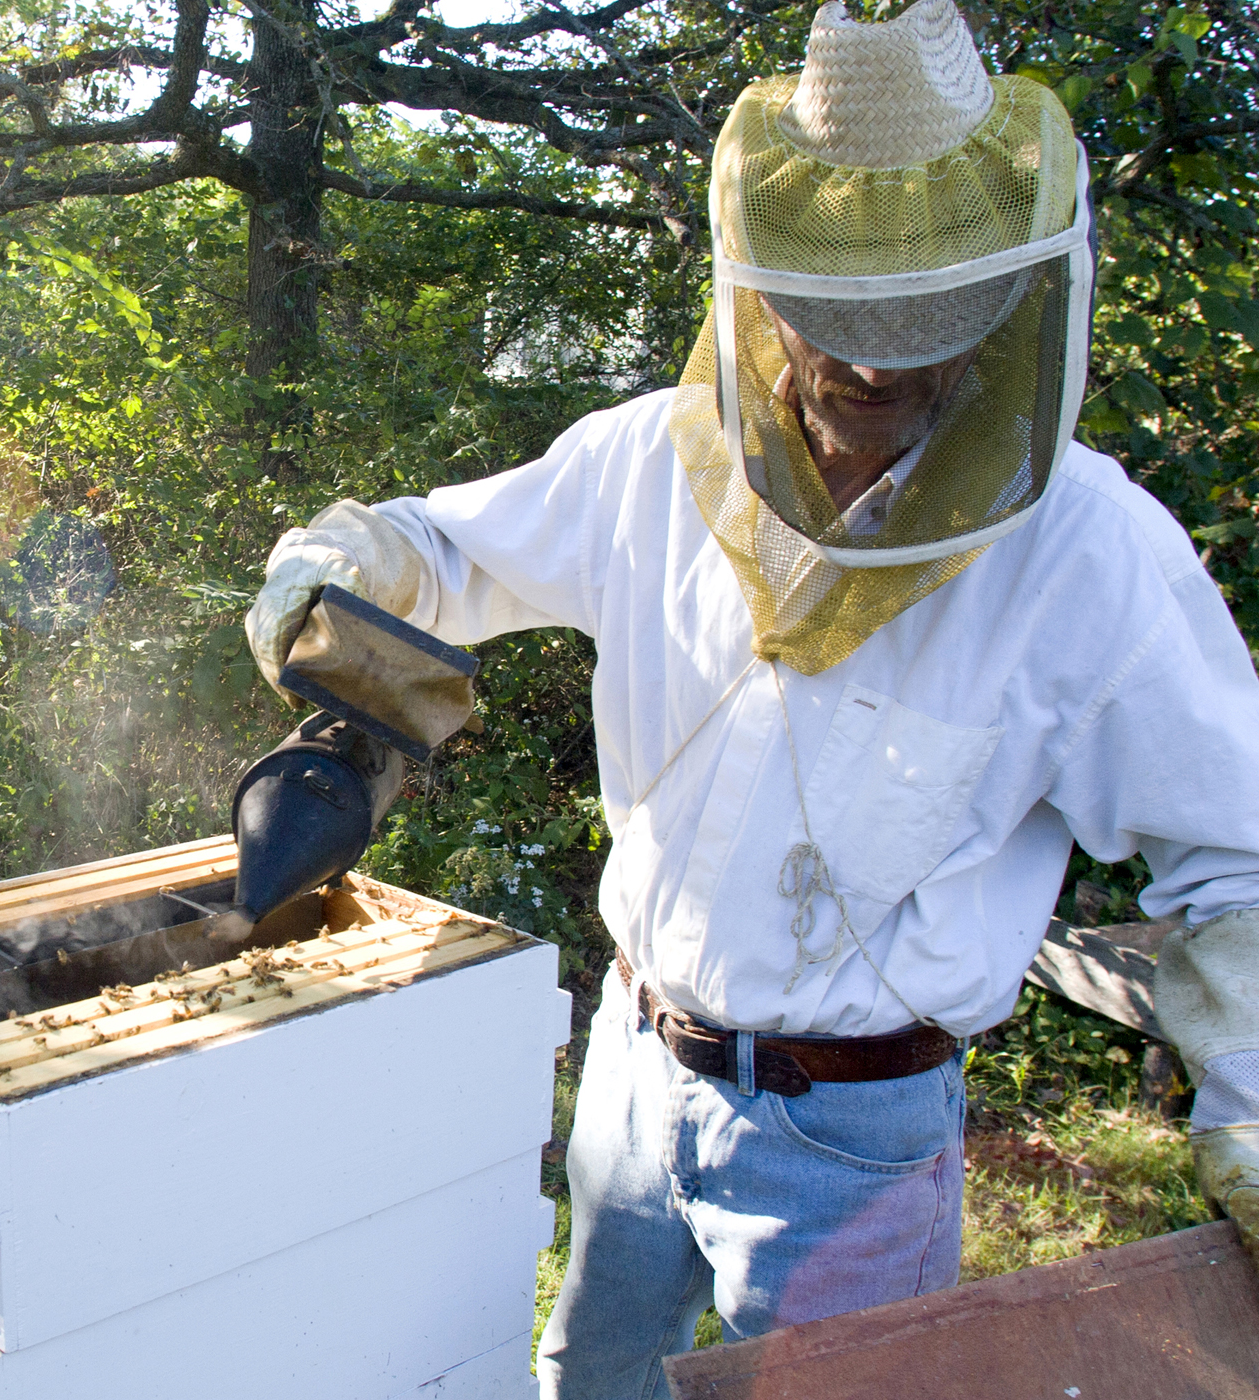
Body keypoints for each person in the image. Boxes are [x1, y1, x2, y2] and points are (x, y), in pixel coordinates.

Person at [241, 2, 1259, 1396]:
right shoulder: (651, 466)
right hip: (634, 1074)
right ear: (761, 279)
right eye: (840, 314)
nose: (874, 365)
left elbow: (1243, 859)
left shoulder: (1091, 558)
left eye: (925, 320)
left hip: (859, 1137)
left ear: (1011, 303)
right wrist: (341, 562)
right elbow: (447, 555)